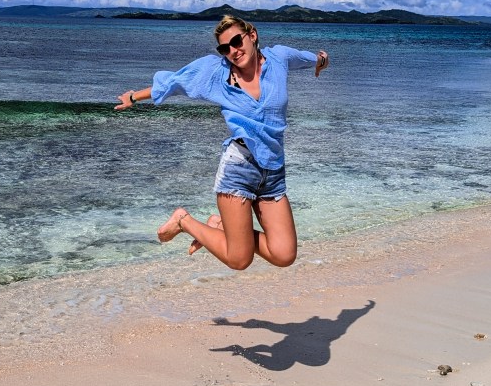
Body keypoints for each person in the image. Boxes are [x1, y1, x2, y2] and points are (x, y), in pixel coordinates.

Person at [114, 15, 329, 271]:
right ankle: (184, 221)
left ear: (252, 35)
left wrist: (321, 62)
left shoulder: (279, 58)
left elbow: (309, 58)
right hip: (239, 167)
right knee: (239, 259)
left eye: (236, 41)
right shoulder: (216, 73)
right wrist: (132, 96)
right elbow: (175, 81)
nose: (233, 51)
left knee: (284, 255)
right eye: (224, 48)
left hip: (273, 169)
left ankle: (220, 226)